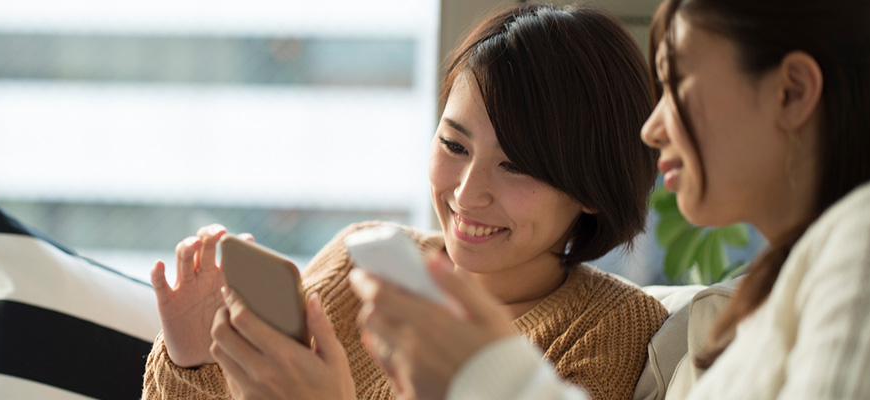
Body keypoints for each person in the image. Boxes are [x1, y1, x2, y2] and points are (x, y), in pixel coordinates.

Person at [351, 0, 870, 398]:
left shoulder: (865, 243)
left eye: (677, 85)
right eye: (453, 143)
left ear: (791, 92)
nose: (651, 128)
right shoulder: (768, 299)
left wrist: (488, 372)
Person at [142, 4, 670, 400]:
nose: (466, 193)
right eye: (454, 145)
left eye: (516, 166)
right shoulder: (359, 260)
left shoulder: (610, 329)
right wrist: (193, 359)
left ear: (592, 184)